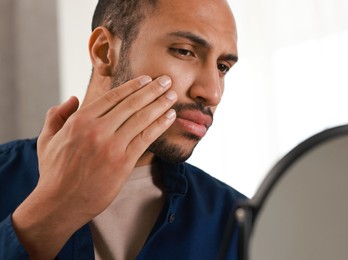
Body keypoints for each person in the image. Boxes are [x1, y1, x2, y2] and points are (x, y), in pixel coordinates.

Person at [0, 0, 246, 259]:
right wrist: (52, 211)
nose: (212, 93)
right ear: (104, 51)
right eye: (185, 51)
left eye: (222, 67)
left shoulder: (239, 223)